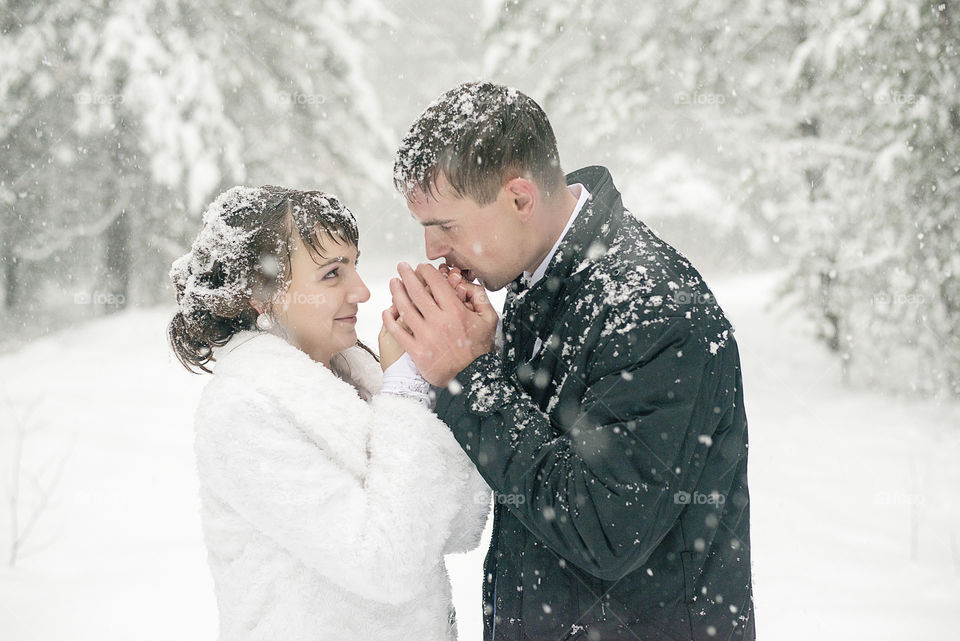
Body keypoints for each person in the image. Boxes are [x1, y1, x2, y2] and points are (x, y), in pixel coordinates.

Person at [384, 82, 755, 640]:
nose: (432, 250)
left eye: (445, 227)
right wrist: (457, 363)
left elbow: (605, 530)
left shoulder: (652, 308)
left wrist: (468, 374)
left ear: (519, 199)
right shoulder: (538, 279)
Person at [167, 185, 490, 641]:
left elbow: (461, 524)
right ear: (261, 294)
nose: (361, 290)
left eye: (354, 265)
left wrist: (450, 369)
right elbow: (386, 564)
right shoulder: (242, 412)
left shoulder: (359, 379)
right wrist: (405, 393)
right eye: (332, 273)